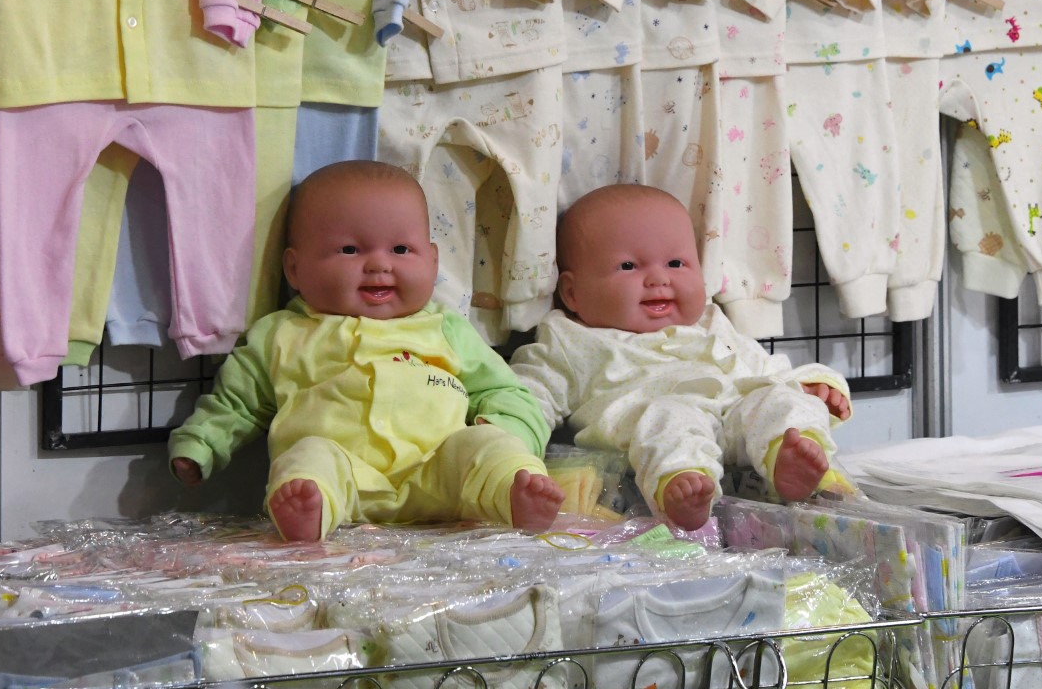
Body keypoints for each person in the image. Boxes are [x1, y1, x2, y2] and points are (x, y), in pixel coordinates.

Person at [169, 161, 563, 541]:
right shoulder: (281, 334)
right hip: (346, 477)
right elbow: (236, 403)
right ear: (294, 268)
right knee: (308, 456)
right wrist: (200, 444)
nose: (378, 264)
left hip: (440, 473)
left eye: (400, 249)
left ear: (433, 261)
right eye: (349, 250)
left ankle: (514, 491)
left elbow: (505, 392)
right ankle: (311, 508)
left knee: (485, 448)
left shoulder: (446, 329)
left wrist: (508, 435)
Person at [513, 184, 852, 530]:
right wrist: (505, 433)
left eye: (676, 263)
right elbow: (528, 394)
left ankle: (791, 455)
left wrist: (813, 385)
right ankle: (680, 486)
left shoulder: (711, 321)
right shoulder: (571, 339)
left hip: (736, 419)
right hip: (654, 438)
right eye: (628, 266)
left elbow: (765, 368)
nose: (659, 279)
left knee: (779, 399)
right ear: (572, 293)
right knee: (668, 416)